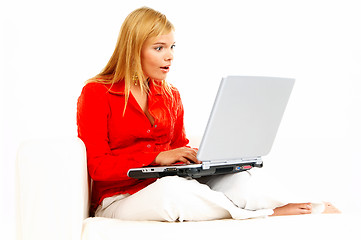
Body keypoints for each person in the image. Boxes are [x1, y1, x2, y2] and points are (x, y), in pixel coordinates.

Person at [77, 7, 339, 221]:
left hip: (166, 182)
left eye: (172, 47)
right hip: (120, 197)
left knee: (242, 180)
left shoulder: (170, 95)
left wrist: (203, 162)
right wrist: (156, 157)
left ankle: (297, 203)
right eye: (159, 48)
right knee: (173, 192)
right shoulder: (97, 93)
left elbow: (178, 148)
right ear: (134, 49)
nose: (169, 56)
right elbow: (98, 167)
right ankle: (268, 213)